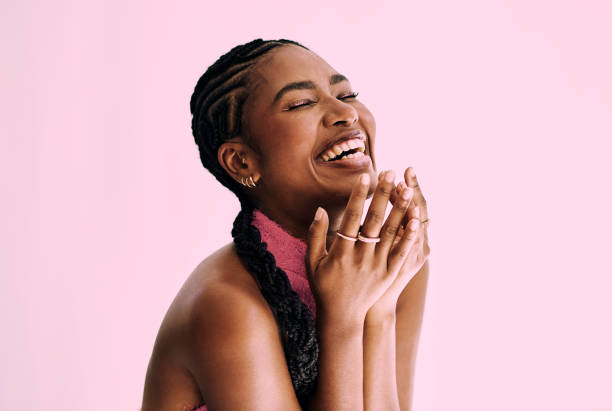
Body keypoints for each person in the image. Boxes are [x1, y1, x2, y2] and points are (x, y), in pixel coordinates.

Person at [141, 38, 430, 411]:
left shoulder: (390, 263)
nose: (345, 113)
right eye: (301, 103)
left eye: (348, 93)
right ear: (242, 162)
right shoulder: (227, 305)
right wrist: (343, 319)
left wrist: (380, 308)